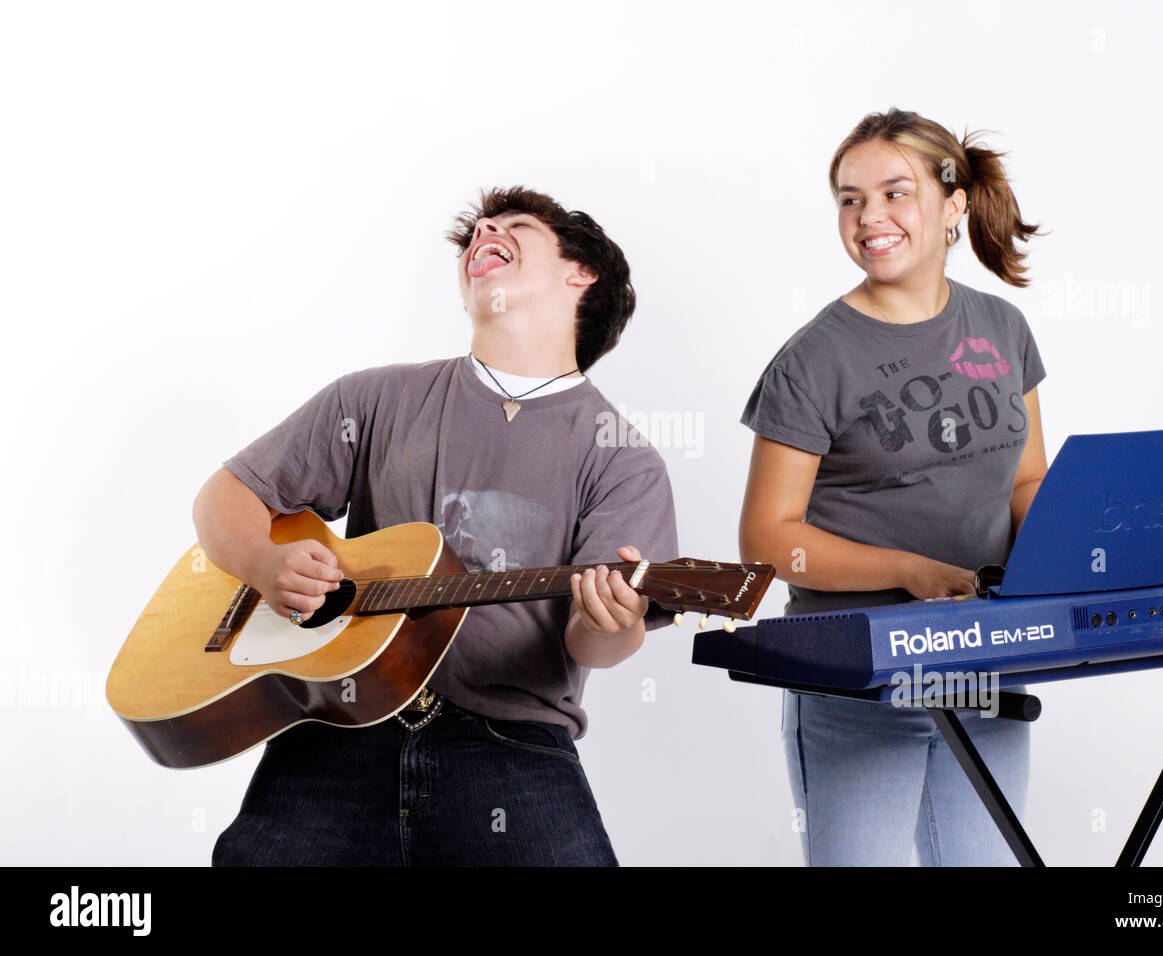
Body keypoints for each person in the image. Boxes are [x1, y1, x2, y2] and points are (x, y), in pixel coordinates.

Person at [194, 185, 678, 866]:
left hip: (511, 745)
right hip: (337, 724)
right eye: (476, 230)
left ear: (582, 273)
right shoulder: (374, 397)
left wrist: (611, 620)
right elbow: (226, 495)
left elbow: (597, 646)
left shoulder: (623, 459)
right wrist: (262, 564)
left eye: (512, 226)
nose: (484, 231)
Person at [737, 108, 1048, 866]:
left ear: (953, 206)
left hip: (984, 659)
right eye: (850, 198)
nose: (869, 216)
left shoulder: (1002, 328)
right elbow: (768, 538)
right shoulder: (813, 360)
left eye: (893, 192)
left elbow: (1028, 477)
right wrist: (910, 572)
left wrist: (1069, 560)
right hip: (858, 673)